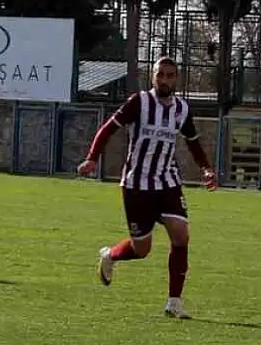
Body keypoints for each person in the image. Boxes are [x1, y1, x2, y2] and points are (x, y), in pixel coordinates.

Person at [76, 57, 217, 320]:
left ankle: (174, 302)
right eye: (160, 75)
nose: (164, 80)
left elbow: (193, 142)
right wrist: (92, 158)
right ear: (152, 76)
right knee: (142, 250)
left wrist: (206, 168)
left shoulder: (182, 109)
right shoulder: (139, 102)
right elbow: (108, 129)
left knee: (181, 235)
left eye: (170, 75)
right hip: (136, 185)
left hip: (168, 182)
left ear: (177, 79)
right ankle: (110, 255)